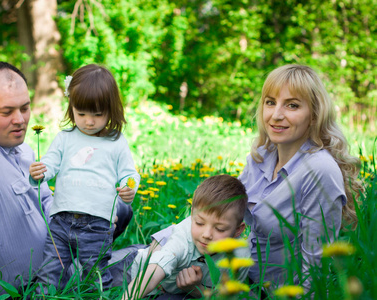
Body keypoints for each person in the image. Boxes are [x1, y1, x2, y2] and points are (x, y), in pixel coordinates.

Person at [0, 62, 133, 299]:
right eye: (7, 111)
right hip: (30, 289)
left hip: (62, 250)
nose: (20, 120)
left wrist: (84, 211)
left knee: (121, 209)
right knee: (149, 258)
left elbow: (45, 201)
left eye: (24, 108)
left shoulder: (17, 146)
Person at [240, 64, 362, 291]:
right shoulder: (262, 156)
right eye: (270, 102)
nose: (276, 115)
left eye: (292, 105)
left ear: (315, 116)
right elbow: (219, 213)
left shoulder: (319, 171)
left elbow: (315, 269)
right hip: (239, 280)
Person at [29, 64, 140, 291]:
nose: (89, 121)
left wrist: (129, 187)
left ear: (111, 110)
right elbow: (50, 163)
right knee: (49, 274)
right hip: (60, 222)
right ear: (72, 107)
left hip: (97, 226)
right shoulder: (65, 138)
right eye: (81, 114)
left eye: (97, 115)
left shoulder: (116, 142)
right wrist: (40, 173)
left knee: (95, 276)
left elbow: (129, 174)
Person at [119, 174, 250, 300]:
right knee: (102, 275)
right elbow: (152, 273)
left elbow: (225, 296)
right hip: (134, 268)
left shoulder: (240, 257)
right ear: (192, 215)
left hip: (173, 293)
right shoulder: (183, 238)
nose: (206, 234)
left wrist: (195, 288)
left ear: (238, 230)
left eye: (219, 229)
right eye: (199, 223)